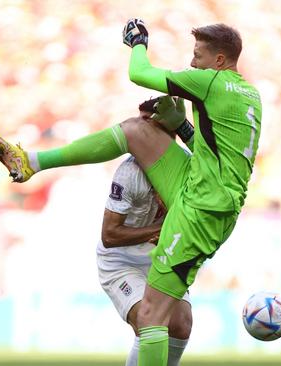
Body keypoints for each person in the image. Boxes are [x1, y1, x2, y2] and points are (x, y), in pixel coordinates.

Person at [0, 19, 261, 366]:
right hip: (203, 189)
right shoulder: (249, 95)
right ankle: (31, 162)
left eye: (198, 56)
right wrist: (182, 126)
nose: (193, 64)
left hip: (201, 210)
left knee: (152, 318)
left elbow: (140, 73)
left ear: (220, 61)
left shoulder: (211, 81)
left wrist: (138, 44)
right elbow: (214, 153)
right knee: (135, 131)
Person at [97, 98, 192, 366]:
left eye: (145, 123)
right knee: (148, 323)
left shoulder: (186, 167)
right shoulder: (129, 173)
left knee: (182, 324)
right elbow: (110, 235)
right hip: (121, 262)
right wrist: (159, 230)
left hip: (159, 259)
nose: (138, 130)